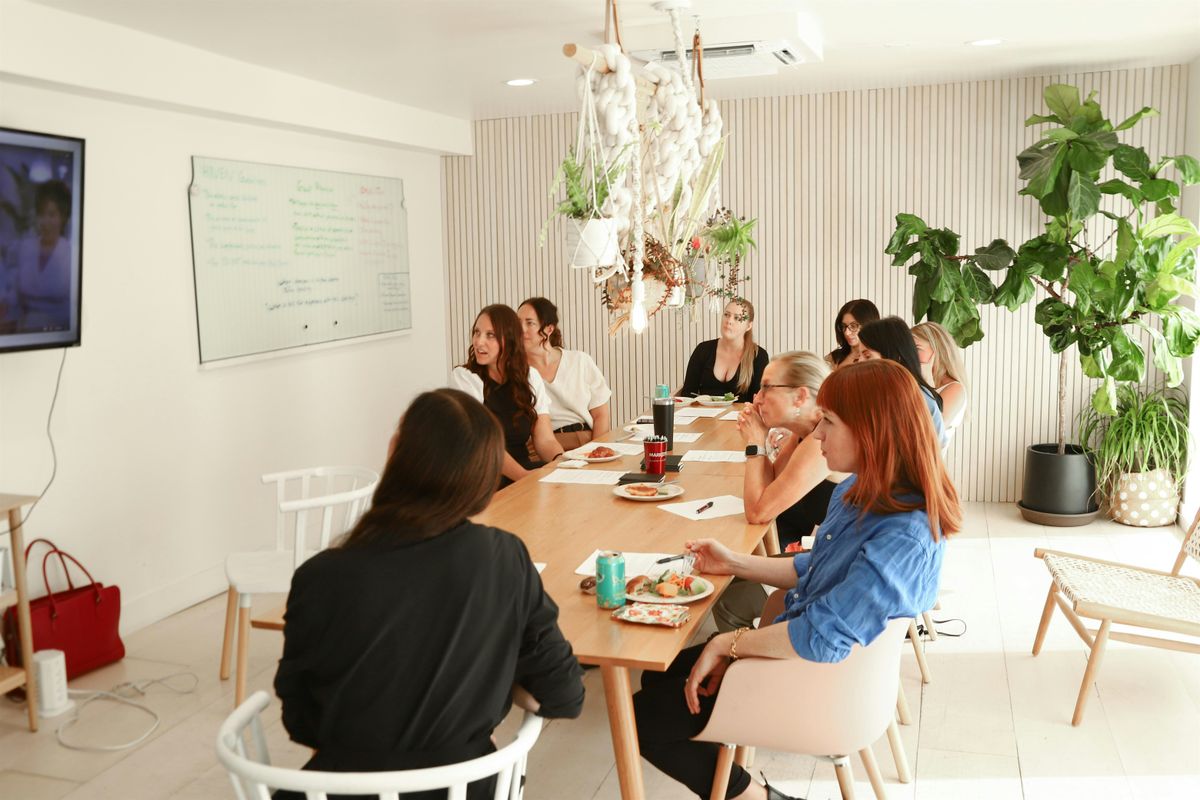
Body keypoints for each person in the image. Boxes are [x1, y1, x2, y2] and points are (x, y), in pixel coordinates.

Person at [632, 360, 961, 800]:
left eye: (828, 422)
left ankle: (756, 796)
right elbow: (814, 568)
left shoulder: (905, 531)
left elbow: (820, 636)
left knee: (641, 716)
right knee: (662, 674)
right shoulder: (864, 490)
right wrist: (735, 563)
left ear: (871, 430)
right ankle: (731, 752)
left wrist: (729, 644)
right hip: (804, 652)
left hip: (822, 685)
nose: (818, 434)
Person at [274, 389, 585, 800]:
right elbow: (565, 696)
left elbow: (300, 720)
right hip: (464, 788)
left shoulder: (318, 576)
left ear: (396, 453)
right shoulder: (503, 558)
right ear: (481, 476)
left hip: (341, 790)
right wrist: (493, 671)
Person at [737, 351, 849, 551]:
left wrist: (755, 441)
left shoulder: (822, 439)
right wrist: (760, 436)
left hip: (836, 556)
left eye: (766, 387)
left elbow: (758, 512)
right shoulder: (804, 431)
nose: (757, 397)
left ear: (800, 396)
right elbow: (769, 484)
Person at [451, 304, 564, 484]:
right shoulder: (465, 378)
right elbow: (484, 444)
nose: (479, 342)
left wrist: (561, 462)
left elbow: (545, 439)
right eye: (477, 332)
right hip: (482, 480)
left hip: (523, 472)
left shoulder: (530, 376)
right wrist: (525, 478)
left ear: (510, 339)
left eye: (490, 335)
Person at [517, 297, 612, 450]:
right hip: (544, 446)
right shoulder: (516, 372)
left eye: (529, 323)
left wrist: (598, 449)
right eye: (517, 322)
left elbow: (601, 416)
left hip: (586, 439)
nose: (521, 329)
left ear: (549, 329)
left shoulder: (579, 361)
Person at [857, 316, 948, 449]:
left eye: (867, 356)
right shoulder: (877, 396)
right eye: (859, 356)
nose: (859, 362)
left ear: (894, 357)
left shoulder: (919, 399)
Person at [7, 180, 73, 331]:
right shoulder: (25, 247)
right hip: (24, 331)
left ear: (63, 217)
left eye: (52, 214)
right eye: (41, 214)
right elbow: (14, 296)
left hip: (59, 333)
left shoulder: (70, 253)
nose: (45, 222)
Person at [679, 298, 769, 402]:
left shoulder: (758, 356)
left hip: (741, 417)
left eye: (737, 318)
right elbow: (687, 394)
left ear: (748, 326)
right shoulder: (703, 350)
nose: (729, 321)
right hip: (704, 416)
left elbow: (758, 401)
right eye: (726, 315)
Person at [912, 321, 968, 446]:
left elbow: (933, 434)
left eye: (916, 349)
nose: (910, 355)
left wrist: (927, 385)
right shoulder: (916, 383)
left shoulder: (955, 389)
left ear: (938, 350)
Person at [825, 299, 880, 368]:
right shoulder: (832, 358)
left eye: (853, 326)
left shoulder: (879, 359)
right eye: (844, 326)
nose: (847, 333)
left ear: (869, 325)